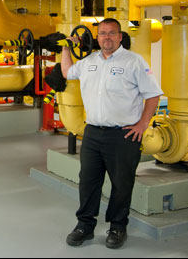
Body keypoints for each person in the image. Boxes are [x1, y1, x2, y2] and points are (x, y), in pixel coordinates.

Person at [60, 18, 163, 249]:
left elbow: (153, 94)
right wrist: (66, 48)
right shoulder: (89, 62)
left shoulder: (134, 61)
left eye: (111, 33)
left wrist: (143, 123)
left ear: (120, 36)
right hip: (92, 133)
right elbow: (67, 72)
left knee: (122, 183)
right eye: (103, 33)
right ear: (97, 38)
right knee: (88, 181)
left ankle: (118, 227)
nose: (107, 37)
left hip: (123, 135)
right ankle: (85, 226)